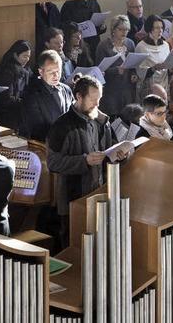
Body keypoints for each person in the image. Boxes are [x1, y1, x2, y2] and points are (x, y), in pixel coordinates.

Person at [47, 75, 121, 248]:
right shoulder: (62, 126)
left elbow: (110, 149)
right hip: (74, 198)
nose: (97, 104)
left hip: (100, 194)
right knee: (74, 246)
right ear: (79, 97)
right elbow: (53, 162)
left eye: (99, 99)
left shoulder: (102, 121)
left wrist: (118, 154)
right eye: (93, 100)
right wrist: (84, 160)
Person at [20, 50, 73, 141]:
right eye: (50, 72)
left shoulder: (66, 89)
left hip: (68, 142)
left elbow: (73, 114)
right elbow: (36, 128)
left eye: (58, 71)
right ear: (41, 72)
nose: (56, 75)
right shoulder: (32, 94)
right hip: (45, 144)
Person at [95, 15, 138, 117]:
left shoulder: (130, 44)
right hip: (111, 92)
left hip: (127, 90)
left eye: (127, 29)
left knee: (128, 119)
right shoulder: (103, 46)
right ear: (113, 29)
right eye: (121, 29)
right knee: (113, 120)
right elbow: (98, 71)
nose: (124, 32)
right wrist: (115, 71)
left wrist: (134, 74)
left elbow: (133, 65)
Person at [0, 40, 32, 130]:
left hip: (21, 112)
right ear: (15, 55)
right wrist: (27, 102)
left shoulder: (26, 69)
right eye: (24, 56)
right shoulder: (7, 72)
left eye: (29, 56)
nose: (27, 59)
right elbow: (7, 98)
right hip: (9, 115)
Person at [135, 15, 171, 101]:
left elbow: (168, 65)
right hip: (149, 87)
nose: (160, 31)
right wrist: (154, 68)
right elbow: (140, 71)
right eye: (157, 28)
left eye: (162, 28)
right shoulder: (141, 46)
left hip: (164, 84)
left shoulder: (165, 45)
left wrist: (171, 70)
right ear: (149, 29)